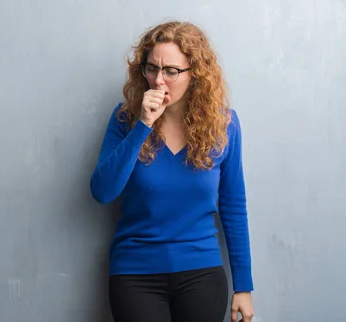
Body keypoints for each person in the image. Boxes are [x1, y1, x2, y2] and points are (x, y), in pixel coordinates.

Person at [89, 21, 255, 322]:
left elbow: (233, 206)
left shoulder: (225, 125)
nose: (158, 81)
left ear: (195, 74)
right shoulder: (125, 119)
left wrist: (243, 287)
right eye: (151, 68)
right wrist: (143, 125)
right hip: (135, 274)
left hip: (201, 273)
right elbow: (102, 191)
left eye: (171, 71)